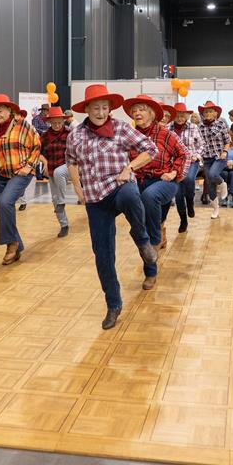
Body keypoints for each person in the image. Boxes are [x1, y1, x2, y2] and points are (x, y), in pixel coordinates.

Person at [66, 84, 158, 329]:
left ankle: (143, 242)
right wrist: (78, 188)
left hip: (119, 185)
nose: (100, 112)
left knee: (131, 195)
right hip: (95, 199)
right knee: (103, 255)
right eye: (96, 108)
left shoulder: (121, 128)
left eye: (104, 108)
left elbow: (151, 149)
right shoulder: (75, 135)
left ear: (110, 109)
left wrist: (130, 167)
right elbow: (71, 161)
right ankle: (113, 304)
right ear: (86, 109)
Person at [124, 95, 186, 272]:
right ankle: (144, 235)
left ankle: (155, 242)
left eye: (141, 109)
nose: (137, 113)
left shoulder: (166, 133)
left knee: (149, 196)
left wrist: (173, 172)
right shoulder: (131, 136)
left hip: (164, 180)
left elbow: (183, 155)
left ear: (151, 114)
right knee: (128, 200)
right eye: (134, 110)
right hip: (138, 180)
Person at [0, 94, 41, 265]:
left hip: (20, 173)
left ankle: (11, 245)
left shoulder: (23, 126)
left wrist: (29, 166)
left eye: (0, 110)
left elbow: (37, 145)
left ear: (9, 110)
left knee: (4, 202)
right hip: (1, 174)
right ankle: (17, 245)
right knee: (2, 210)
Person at [169, 102, 203, 232]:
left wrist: (197, 155)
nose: (180, 118)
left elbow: (201, 145)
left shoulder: (193, 127)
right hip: (175, 163)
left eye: (182, 115)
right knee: (178, 194)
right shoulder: (168, 128)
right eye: (177, 115)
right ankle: (183, 220)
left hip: (191, 160)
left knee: (188, 179)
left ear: (187, 116)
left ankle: (190, 201)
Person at [38, 106, 71, 238]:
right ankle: (64, 225)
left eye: (59, 122)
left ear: (63, 121)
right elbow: (38, 153)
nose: (57, 125)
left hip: (68, 166)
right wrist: (45, 162)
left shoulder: (69, 133)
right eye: (54, 123)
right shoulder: (45, 136)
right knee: (54, 199)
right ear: (49, 122)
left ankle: (62, 201)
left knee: (59, 172)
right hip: (51, 167)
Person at [198, 100, 231, 219]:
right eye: (206, 112)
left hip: (219, 157)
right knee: (210, 184)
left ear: (215, 113)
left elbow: (227, 141)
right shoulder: (200, 126)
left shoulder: (221, 124)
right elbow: (199, 143)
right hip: (206, 158)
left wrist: (225, 152)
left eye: (210, 111)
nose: (208, 113)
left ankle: (222, 183)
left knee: (213, 174)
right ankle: (216, 209)